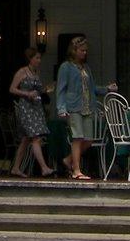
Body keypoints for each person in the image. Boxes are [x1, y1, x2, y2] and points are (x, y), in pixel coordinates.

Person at [55, 35, 115, 181]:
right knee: (77, 137)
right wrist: (61, 108)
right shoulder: (66, 67)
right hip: (73, 106)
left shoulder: (86, 68)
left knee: (88, 140)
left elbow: (92, 88)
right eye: (82, 50)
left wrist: (107, 89)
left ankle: (68, 160)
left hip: (87, 106)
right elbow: (61, 89)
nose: (84, 53)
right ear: (74, 50)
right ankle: (76, 169)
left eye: (85, 50)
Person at [9, 47, 55, 177]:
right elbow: (12, 89)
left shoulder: (36, 73)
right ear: (30, 59)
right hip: (26, 108)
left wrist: (45, 90)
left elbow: (38, 90)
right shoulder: (22, 72)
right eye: (37, 58)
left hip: (36, 107)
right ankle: (44, 167)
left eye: (40, 58)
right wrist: (26, 93)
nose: (39, 61)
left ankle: (16, 167)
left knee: (25, 139)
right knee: (36, 137)